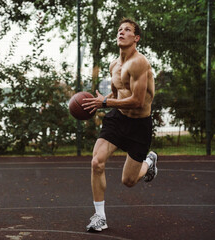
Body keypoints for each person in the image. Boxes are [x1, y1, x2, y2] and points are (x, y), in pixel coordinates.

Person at [82, 17, 158, 232]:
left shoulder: (139, 63)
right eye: (119, 29)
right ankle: (99, 217)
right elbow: (117, 95)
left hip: (139, 125)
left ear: (136, 38)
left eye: (127, 30)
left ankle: (149, 163)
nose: (121, 32)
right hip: (117, 118)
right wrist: (101, 101)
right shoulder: (113, 65)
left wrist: (105, 102)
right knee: (96, 162)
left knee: (129, 181)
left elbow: (137, 100)